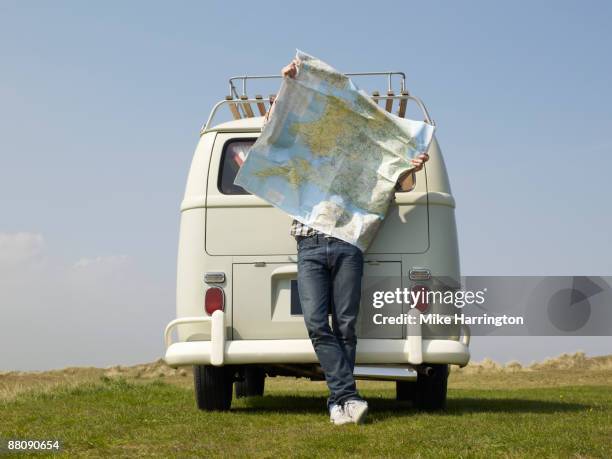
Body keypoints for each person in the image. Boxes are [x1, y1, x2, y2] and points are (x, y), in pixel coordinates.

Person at [264, 59, 430, 425]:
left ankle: (340, 403)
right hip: (309, 243)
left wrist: (412, 168)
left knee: (346, 325)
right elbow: (274, 130)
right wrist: (288, 84)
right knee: (316, 323)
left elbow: (398, 184)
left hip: (348, 242)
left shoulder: (365, 152)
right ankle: (346, 396)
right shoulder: (308, 146)